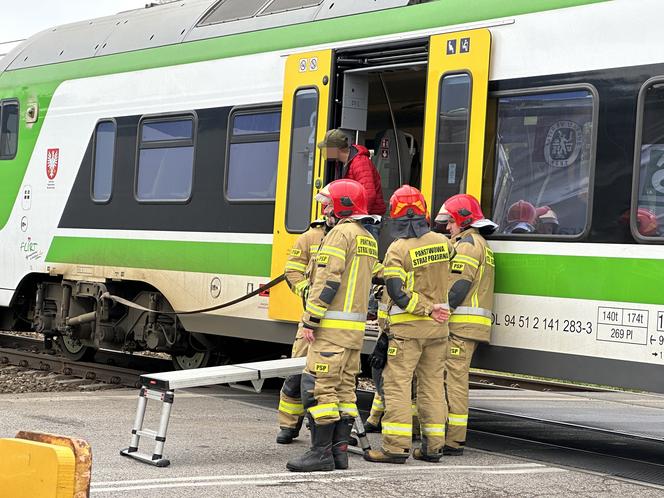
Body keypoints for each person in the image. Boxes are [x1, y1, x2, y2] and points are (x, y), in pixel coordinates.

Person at [287, 179, 380, 473]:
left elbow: (328, 281)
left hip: (331, 330)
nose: (324, 209)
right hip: (352, 332)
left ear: (343, 206)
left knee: (318, 388)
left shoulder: (340, 234)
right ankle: (340, 454)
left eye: (328, 203)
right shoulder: (367, 236)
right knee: (343, 392)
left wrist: (310, 319)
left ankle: (320, 453)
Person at [364, 185, 453, 464]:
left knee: (398, 387)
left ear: (395, 214)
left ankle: (395, 448)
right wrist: (435, 310)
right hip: (439, 332)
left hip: (406, 332)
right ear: (424, 212)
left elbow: (398, 293)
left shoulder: (397, 249)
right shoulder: (443, 242)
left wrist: (425, 309)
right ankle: (433, 447)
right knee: (433, 387)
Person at [435, 194, 497, 456]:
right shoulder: (480, 244)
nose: (448, 227)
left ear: (462, 219)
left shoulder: (468, 245)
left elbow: (459, 285)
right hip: (469, 326)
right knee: (453, 379)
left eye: (450, 222)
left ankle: (454, 439)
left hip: (461, 326)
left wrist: (441, 312)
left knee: (454, 381)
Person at [277, 216, 330, 444]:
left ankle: (328, 429)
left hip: (336, 326)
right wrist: (307, 291)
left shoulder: (354, 236)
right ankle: (288, 425)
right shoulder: (310, 237)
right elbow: (293, 271)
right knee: (296, 374)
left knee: (330, 381)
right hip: (310, 321)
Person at [317, 129, 386, 239]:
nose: (324, 152)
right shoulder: (342, 164)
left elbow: (369, 195)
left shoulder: (360, 162)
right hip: (357, 221)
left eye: (327, 148)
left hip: (366, 221)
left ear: (337, 149)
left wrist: (351, 218)